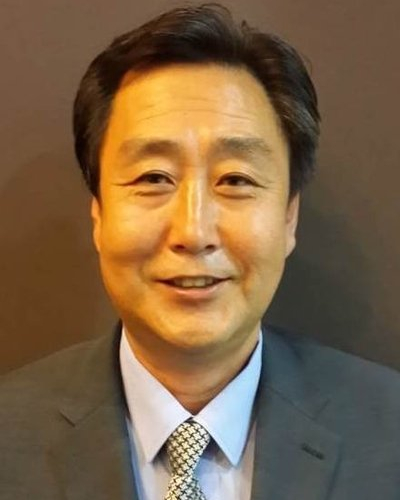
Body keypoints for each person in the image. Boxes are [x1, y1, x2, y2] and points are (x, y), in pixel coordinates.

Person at [1, 4, 400, 499]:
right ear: (98, 214)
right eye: (153, 178)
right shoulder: (9, 438)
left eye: (235, 179)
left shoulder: (388, 435)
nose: (193, 232)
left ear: (288, 217)